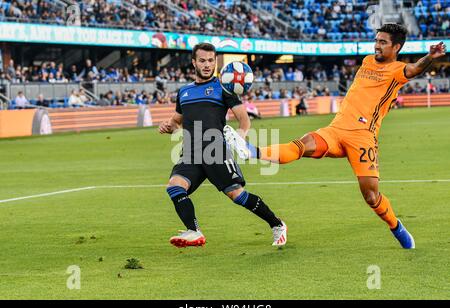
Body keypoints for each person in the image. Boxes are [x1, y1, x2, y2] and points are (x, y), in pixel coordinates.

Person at [226, 24, 447, 250]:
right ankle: (251, 150)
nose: (377, 45)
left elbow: (415, 69)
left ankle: (396, 226)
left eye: (383, 42)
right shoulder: (368, 61)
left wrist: (430, 56)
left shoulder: (397, 71)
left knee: (371, 196)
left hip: (363, 137)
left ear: (396, 47)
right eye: (377, 40)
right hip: (336, 129)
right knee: (304, 144)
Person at [159, 43, 287, 248]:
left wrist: (240, 138)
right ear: (194, 62)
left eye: (211, 60)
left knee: (237, 195)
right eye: (202, 60)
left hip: (215, 151)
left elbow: (244, 121)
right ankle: (194, 231)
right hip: (190, 152)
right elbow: (177, 122)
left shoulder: (225, 88)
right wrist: (168, 126)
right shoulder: (184, 92)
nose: (207, 65)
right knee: (175, 187)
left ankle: (277, 224)